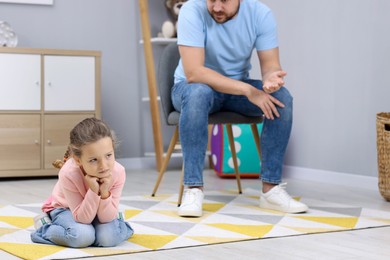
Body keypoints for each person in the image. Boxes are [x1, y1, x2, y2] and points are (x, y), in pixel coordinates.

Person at [172, 0, 308, 217]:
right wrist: (248, 90)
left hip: (235, 91)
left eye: (224, 1)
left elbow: (271, 65)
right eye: (212, 0)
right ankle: (193, 188)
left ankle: (271, 189)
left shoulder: (260, 15)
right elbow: (194, 73)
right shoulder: (191, 9)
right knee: (199, 92)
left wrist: (271, 78)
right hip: (191, 89)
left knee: (282, 98)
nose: (216, 7)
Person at [31, 117, 134, 248]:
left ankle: (116, 220)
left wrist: (104, 192)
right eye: (93, 160)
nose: (104, 166)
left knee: (108, 238)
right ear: (78, 160)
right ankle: (45, 226)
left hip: (97, 209)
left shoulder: (118, 172)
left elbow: (105, 218)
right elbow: (82, 218)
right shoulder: (68, 173)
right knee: (83, 236)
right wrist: (93, 190)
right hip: (66, 209)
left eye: (108, 155)